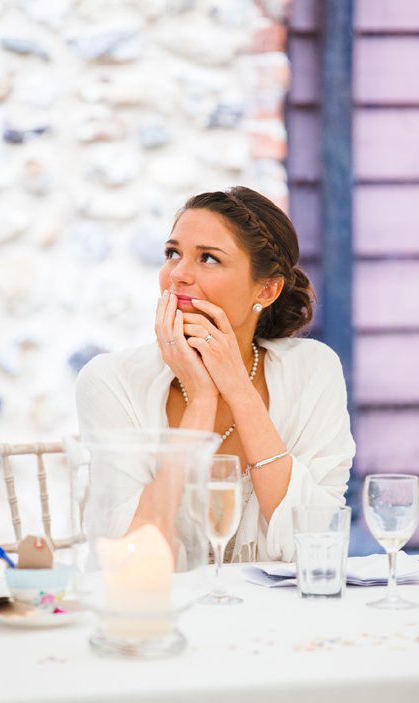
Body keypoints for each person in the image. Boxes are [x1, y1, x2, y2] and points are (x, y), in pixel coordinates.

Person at [76, 186, 355, 563]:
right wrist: (202, 400)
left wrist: (238, 388)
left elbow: (317, 547)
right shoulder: (111, 382)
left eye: (208, 258)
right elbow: (133, 556)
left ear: (268, 289)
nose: (177, 274)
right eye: (172, 253)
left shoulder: (313, 371)